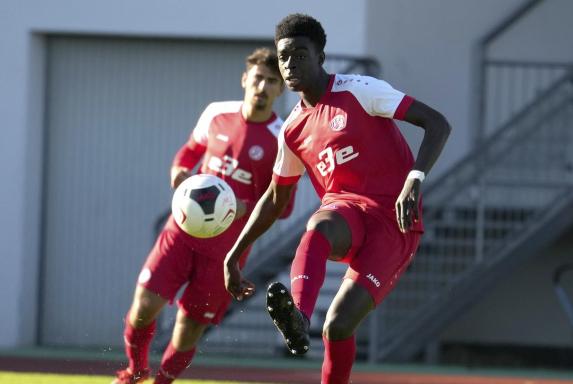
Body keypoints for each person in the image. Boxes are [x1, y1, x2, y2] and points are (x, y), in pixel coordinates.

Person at [224, 14, 451, 384]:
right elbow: (275, 198)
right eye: (284, 57)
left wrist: (414, 179)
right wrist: (235, 255)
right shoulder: (293, 129)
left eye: (300, 53)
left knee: (338, 327)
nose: (290, 63)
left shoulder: (360, 90)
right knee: (320, 223)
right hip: (346, 213)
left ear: (321, 56)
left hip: (394, 224)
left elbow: (437, 123)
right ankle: (298, 316)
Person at [113, 47, 292, 384]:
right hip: (180, 232)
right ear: (244, 79)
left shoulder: (283, 139)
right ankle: (134, 371)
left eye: (272, 82)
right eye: (257, 78)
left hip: (226, 250)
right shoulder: (217, 114)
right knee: (143, 307)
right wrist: (179, 168)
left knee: (191, 325)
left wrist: (245, 208)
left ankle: (163, 380)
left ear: (280, 89)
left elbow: (285, 204)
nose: (262, 87)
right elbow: (190, 151)